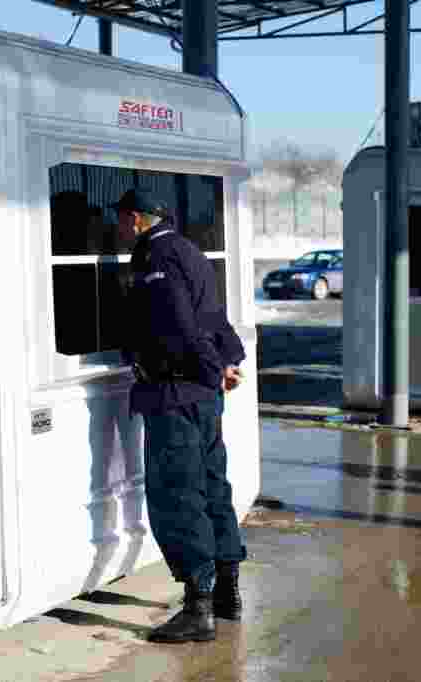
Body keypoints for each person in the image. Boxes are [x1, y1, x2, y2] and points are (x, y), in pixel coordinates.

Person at [112, 188, 247, 644]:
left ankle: (197, 608)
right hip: (201, 392)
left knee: (178, 494)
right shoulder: (187, 249)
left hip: (175, 392)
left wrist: (210, 368)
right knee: (211, 485)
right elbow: (213, 317)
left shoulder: (157, 256)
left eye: (121, 220)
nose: (118, 228)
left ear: (135, 219)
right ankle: (226, 593)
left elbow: (179, 324)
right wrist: (226, 361)